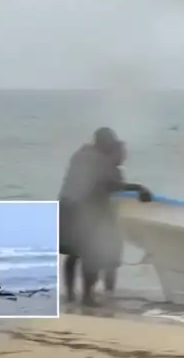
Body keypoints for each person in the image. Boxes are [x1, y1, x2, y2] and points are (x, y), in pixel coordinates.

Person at [59, 127, 153, 307]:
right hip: (81, 209)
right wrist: (138, 188)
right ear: (103, 144)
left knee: (74, 253)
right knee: (91, 253)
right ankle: (87, 296)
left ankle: (70, 295)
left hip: (66, 206)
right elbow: (108, 184)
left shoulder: (81, 154)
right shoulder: (97, 159)